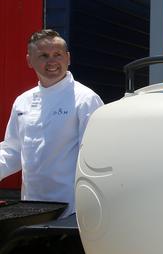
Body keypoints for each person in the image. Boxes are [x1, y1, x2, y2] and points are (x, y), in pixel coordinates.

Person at [0, 29, 103, 217]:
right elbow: (12, 152)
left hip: (71, 210)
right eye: (44, 56)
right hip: (31, 208)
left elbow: (96, 157)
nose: (52, 61)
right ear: (29, 61)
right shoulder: (22, 101)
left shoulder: (85, 99)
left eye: (58, 54)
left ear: (68, 58)